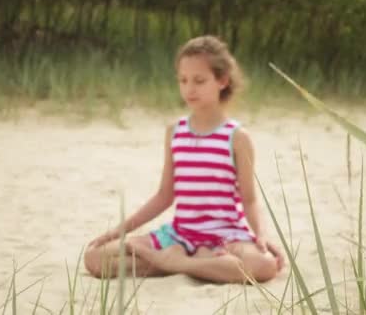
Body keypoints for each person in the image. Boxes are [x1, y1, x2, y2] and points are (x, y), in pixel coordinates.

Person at [84, 35, 284, 283]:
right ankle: (185, 264)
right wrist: (119, 230)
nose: (190, 88)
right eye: (183, 80)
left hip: (226, 235)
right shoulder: (175, 132)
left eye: (199, 81)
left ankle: (177, 263)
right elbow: (164, 196)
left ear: (222, 80)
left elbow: (249, 199)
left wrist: (261, 236)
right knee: (94, 258)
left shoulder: (237, 138)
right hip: (179, 236)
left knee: (264, 266)